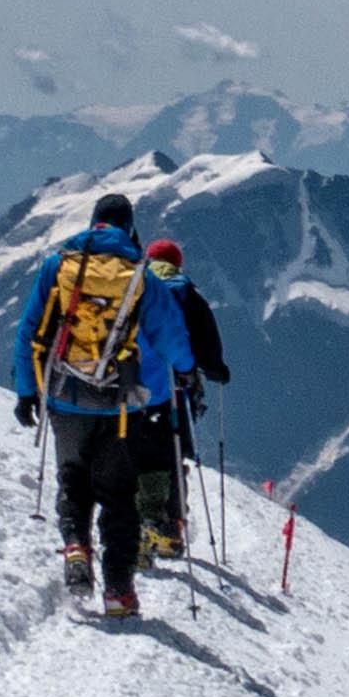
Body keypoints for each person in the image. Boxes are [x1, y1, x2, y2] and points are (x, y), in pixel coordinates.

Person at [9, 191, 193, 618]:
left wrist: (25, 391)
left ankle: (76, 548)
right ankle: (118, 590)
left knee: (72, 479)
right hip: (118, 406)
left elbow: (29, 332)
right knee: (118, 495)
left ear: (93, 224)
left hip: (63, 396)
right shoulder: (139, 276)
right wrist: (185, 370)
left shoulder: (58, 267)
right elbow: (171, 337)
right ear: (130, 229)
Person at [134, 237, 233, 559]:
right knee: (173, 452)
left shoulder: (134, 286)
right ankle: (173, 525)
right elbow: (206, 341)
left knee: (135, 450)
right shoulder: (185, 292)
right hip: (177, 385)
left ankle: (138, 523)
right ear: (177, 263)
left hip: (130, 383)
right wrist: (215, 370)